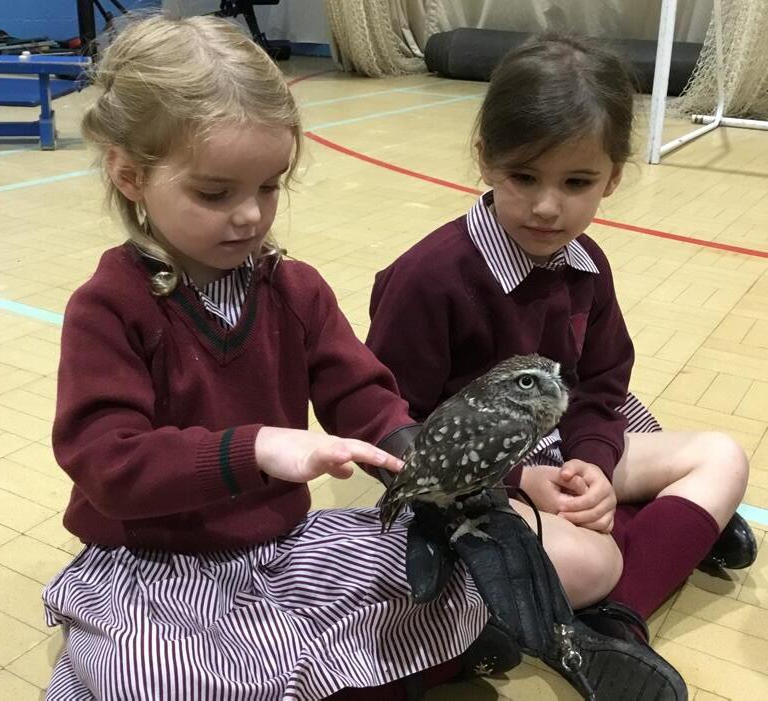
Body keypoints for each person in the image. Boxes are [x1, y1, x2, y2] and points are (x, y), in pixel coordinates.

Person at [41, 14, 496, 700]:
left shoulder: (294, 289)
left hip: (281, 547)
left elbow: (360, 393)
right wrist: (253, 448)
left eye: (269, 186)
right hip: (153, 564)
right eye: (215, 193)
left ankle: (291, 671)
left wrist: (417, 454)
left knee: (461, 573)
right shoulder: (109, 307)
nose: (251, 215)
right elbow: (109, 464)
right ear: (130, 175)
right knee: (156, 676)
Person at [367, 34, 754, 661]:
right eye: (524, 177)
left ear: (613, 178)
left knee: (723, 456)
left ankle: (613, 619)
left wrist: (593, 465)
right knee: (592, 561)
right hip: (474, 480)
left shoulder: (588, 265)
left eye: (577, 181)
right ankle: (652, 548)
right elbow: (391, 428)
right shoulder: (427, 279)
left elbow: (602, 386)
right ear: (485, 159)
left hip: (561, 451)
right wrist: (519, 479)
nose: (547, 207)